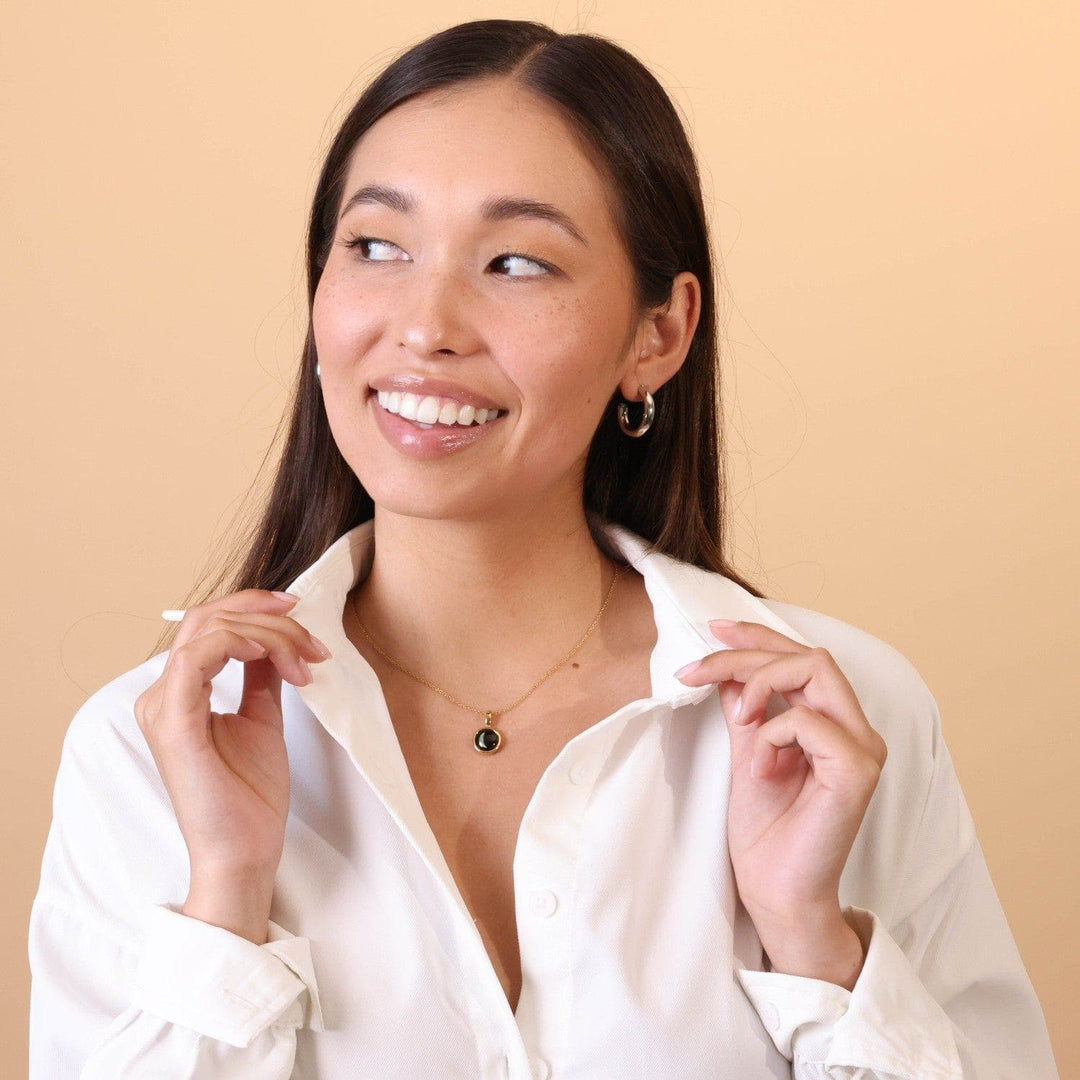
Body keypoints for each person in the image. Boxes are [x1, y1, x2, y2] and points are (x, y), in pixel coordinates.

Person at [28, 18, 1060, 1080]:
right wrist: (225, 900)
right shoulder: (151, 752)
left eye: (516, 262)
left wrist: (813, 943)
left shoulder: (841, 727)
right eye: (376, 246)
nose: (425, 324)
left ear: (656, 335)